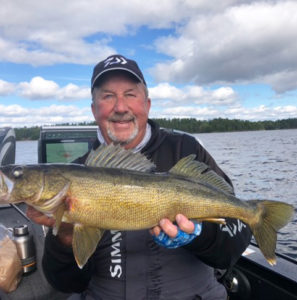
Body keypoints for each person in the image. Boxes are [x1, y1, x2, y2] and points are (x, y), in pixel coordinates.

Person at [27, 54, 252, 300]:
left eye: (130, 94)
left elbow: (233, 243)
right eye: (107, 96)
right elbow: (66, 283)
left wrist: (200, 235)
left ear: (147, 104)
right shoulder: (73, 175)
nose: (120, 107)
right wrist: (66, 238)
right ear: (94, 110)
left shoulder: (186, 150)